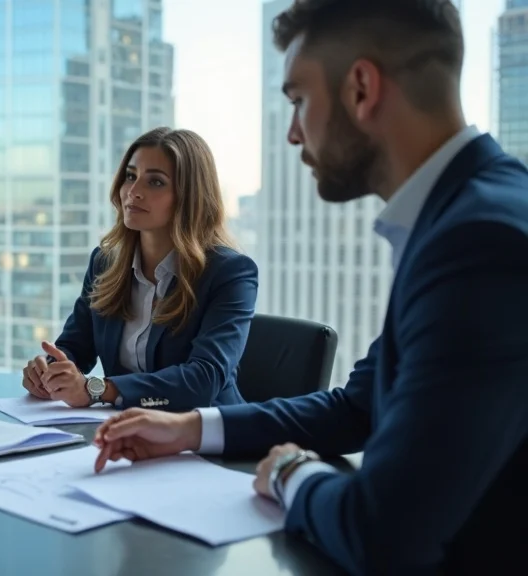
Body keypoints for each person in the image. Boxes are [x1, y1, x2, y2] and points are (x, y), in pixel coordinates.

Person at [93, 1, 528, 574]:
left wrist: (292, 472)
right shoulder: (469, 215)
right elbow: (357, 406)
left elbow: (383, 531)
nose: (294, 133)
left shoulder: (479, 242)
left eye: (298, 100)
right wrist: (189, 429)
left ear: (361, 89)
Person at [22, 128, 257, 411]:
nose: (133, 192)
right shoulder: (104, 263)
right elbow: (75, 348)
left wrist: (98, 390)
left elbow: (202, 381)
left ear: (190, 196)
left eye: (155, 182)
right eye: (131, 177)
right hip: (123, 432)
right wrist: (50, 371)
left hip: (202, 438)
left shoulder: (229, 273)